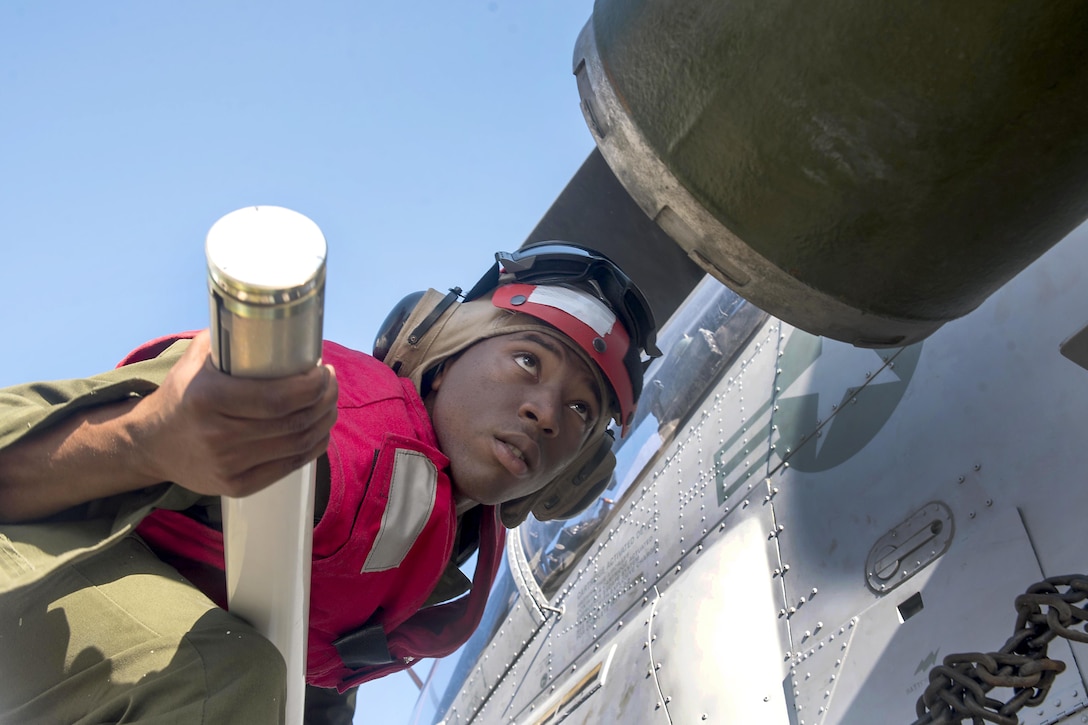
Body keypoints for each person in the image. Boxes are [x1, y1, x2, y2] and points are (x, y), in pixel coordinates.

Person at [0, 241, 659, 724]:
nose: (546, 411)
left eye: (582, 410)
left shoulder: (436, 576)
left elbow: (311, 681)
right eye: (526, 359)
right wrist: (148, 438)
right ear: (438, 351)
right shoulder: (343, 417)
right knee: (226, 675)